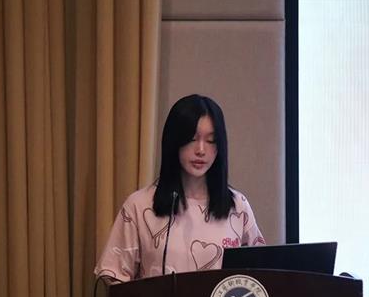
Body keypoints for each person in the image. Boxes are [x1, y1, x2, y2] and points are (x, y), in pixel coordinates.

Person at [94, 94, 265, 282]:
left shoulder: (238, 206)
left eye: (210, 140)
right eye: (192, 139)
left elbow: (262, 274)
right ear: (174, 141)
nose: (201, 150)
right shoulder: (139, 205)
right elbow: (112, 274)